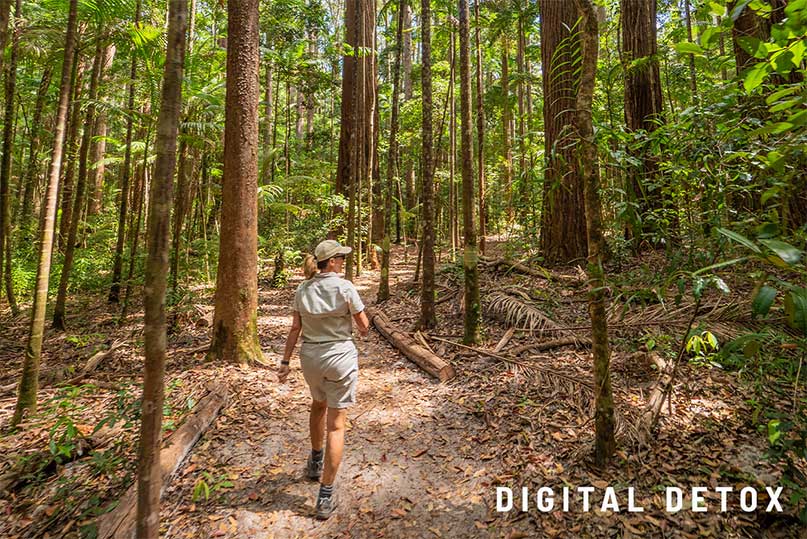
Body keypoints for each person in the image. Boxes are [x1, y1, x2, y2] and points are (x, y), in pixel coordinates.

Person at [277, 239, 370, 520]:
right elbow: (364, 328)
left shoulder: (302, 289)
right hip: (340, 358)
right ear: (330, 262)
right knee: (337, 425)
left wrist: (284, 362)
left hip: (310, 359)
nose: (342, 262)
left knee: (318, 404)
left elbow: (295, 328)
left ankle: (316, 460)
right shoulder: (345, 287)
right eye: (340, 258)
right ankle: (325, 495)